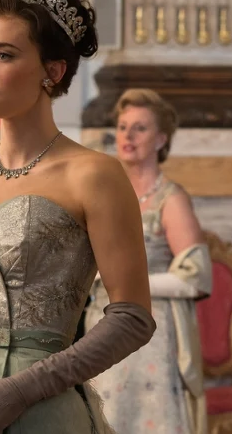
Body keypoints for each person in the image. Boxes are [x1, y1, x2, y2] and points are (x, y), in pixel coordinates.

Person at [0, 0, 156, 434]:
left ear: (53, 71)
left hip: (42, 412)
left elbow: (133, 317)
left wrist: (21, 391)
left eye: (4, 55)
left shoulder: (94, 175)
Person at [85, 88, 212, 434]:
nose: (128, 136)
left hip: (151, 332)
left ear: (160, 139)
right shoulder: (103, 194)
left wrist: (126, 283)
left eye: (140, 128)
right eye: (123, 127)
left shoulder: (171, 200)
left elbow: (196, 277)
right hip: (102, 324)